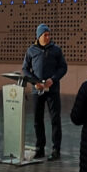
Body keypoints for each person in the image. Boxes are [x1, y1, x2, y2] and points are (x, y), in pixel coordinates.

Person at [22, 23, 68, 161]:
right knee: (38, 120)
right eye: (45, 35)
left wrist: (53, 80)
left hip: (52, 90)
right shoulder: (31, 51)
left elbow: (63, 68)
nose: (48, 37)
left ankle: (56, 150)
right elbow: (25, 69)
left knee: (55, 119)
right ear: (38, 36)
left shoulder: (56, 50)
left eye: (49, 34)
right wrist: (35, 82)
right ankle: (40, 148)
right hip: (38, 91)